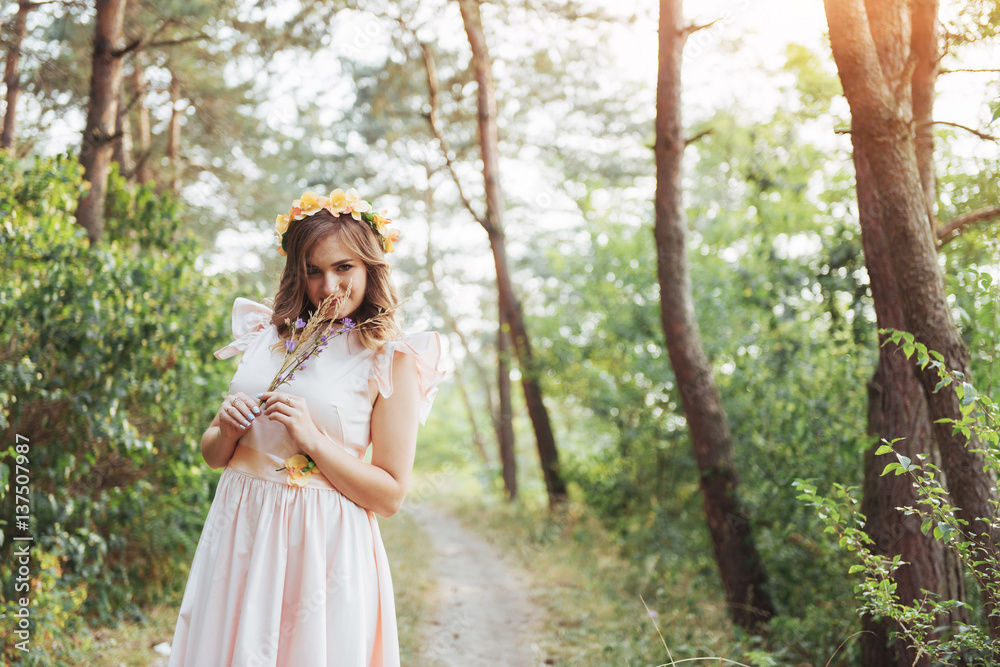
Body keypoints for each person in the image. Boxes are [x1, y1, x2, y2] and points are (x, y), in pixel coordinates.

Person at [167, 188, 444, 667]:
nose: (327, 286)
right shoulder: (265, 335)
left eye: (343, 268)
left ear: (369, 268)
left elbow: (391, 496)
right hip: (240, 530)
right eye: (313, 270)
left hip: (322, 546)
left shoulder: (389, 357)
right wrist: (228, 431)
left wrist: (312, 438)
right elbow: (213, 454)